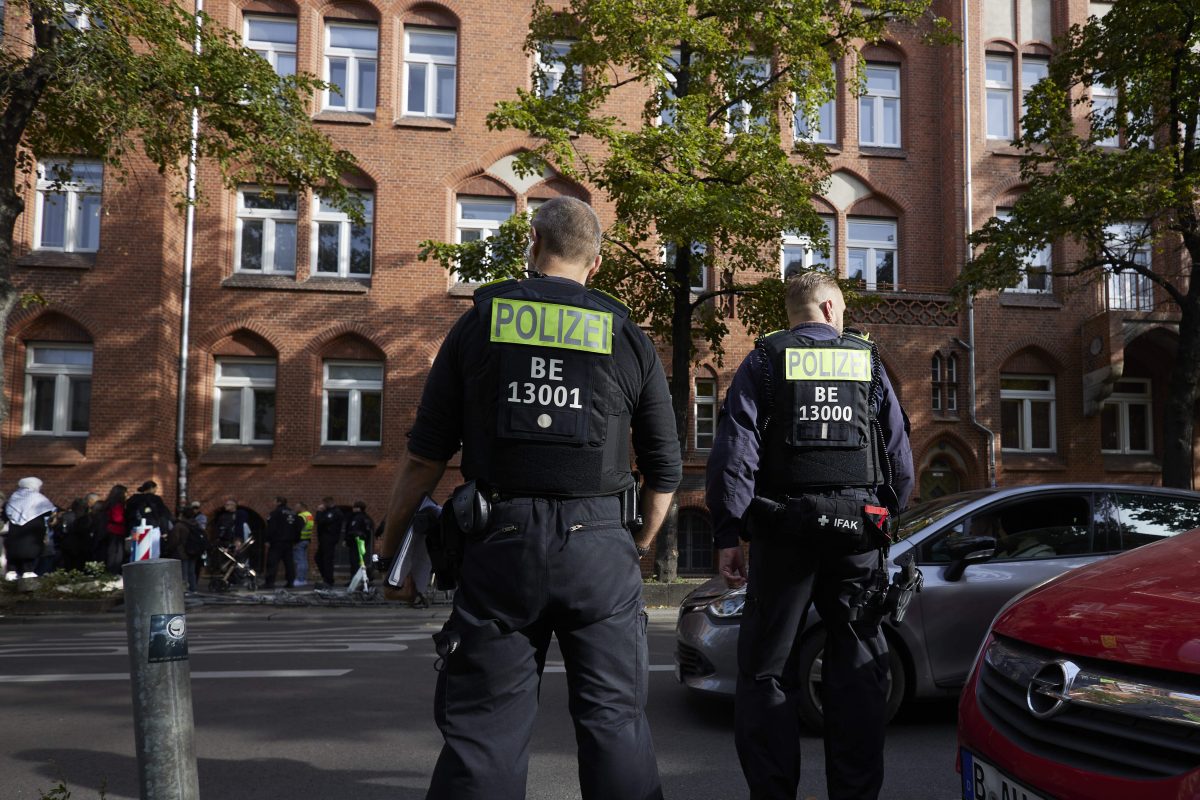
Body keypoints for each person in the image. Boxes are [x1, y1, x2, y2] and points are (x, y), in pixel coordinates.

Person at [380, 196, 681, 800]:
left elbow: (424, 456)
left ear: (532, 244)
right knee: (615, 722)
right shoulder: (627, 336)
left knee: (485, 729)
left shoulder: (478, 323)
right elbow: (665, 470)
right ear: (595, 266)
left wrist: (390, 548)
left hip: (499, 547)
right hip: (600, 548)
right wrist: (639, 542)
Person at [706, 270, 914, 800]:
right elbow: (898, 452)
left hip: (783, 531)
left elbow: (736, 451)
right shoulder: (866, 360)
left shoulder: (765, 359)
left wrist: (730, 530)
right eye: (840, 310)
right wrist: (885, 515)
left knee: (767, 670)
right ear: (826, 309)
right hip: (856, 533)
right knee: (860, 668)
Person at [3, 477, 57, 580]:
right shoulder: (39, 498)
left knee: (14, 551)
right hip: (33, 531)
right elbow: (50, 511)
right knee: (31, 551)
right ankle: (28, 570)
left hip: (15, 531)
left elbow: (6, 513)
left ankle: (12, 570)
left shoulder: (14, 497)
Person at [125, 480, 174, 556]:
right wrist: (164, 531)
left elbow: (127, 514)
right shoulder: (156, 499)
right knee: (153, 553)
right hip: (153, 529)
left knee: (136, 551)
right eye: (155, 488)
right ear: (151, 488)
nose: (156, 490)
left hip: (136, 529)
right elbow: (162, 515)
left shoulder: (133, 499)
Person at [263, 496, 302, 589]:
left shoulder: (275, 513)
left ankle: (270, 583)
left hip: (277, 542)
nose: (273, 503)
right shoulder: (293, 513)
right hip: (289, 542)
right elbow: (298, 527)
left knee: (272, 562)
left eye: (274, 501)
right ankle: (290, 582)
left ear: (279, 502)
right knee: (289, 563)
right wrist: (296, 540)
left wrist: (267, 539)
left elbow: (271, 527)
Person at [95, 484, 128, 574]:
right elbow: (118, 518)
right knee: (116, 555)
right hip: (116, 532)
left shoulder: (109, 503)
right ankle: (113, 572)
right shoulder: (118, 505)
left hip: (109, 531)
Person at [314, 497, 345, 588]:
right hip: (323, 539)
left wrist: (319, 512)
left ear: (329, 502)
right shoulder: (327, 511)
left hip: (330, 538)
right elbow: (318, 521)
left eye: (324, 503)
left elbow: (322, 521)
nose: (323, 505)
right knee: (318, 558)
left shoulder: (335, 512)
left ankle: (328, 580)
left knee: (327, 560)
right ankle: (326, 577)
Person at [344, 500, 373, 574]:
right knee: (361, 560)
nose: (353, 509)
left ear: (358, 508)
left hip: (356, 542)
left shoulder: (357, 518)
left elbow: (353, 530)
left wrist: (348, 539)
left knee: (355, 561)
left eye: (354, 507)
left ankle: (357, 578)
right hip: (362, 542)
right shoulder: (366, 517)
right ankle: (364, 577)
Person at [294, 501, 314, 587]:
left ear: (301, 507)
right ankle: (303, 579)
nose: (295, 508)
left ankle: (300, 579)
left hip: (300, 540)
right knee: (304, 560)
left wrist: (295, 541)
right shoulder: (309, 515)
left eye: (297, 506)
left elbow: (297, 529)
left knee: (299, 561)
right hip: (306, 539)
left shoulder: (301, 516)